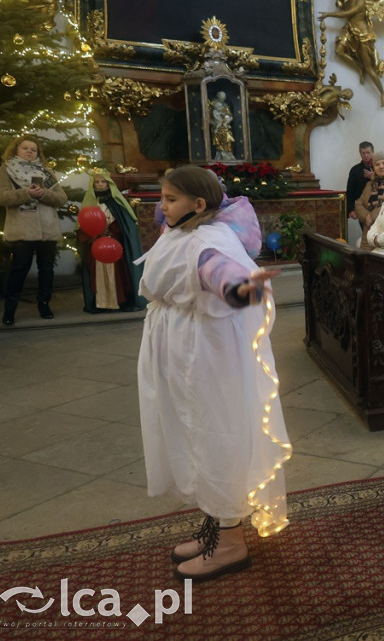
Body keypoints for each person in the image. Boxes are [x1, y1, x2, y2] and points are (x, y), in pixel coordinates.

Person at [137, 165, 290, 582]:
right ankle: (217, 524)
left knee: (213, 438)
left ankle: (231, 542)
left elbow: (224, 277)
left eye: (170, 199)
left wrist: (244, 289)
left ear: (198, 205)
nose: (160, 207)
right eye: (163, 197)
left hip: (204, 358)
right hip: (184, 351)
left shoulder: (207, 242)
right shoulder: (184, 232)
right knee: (193, 436)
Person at [0, 136, 68, 326]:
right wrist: (26, 193)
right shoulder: (6, 170)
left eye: (33, 150)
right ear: (16, 150)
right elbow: (0, 198)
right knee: (19, 269)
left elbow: (61, 198)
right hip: (21, 230)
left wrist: (44, 193)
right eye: (25, 148)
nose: (29, 152)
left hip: (47, 229)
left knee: (46, 269)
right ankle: (10, 310)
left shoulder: (46, 171)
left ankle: (44, 305)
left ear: (38, 153)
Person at [77, 168, 146, 313]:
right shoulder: (89, 204)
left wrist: (114, 232)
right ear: (93, 185)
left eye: (104, 182)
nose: (101, 184)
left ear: (109, 184)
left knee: (119, 274)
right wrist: (93, 236)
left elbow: (126, 226)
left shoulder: (118, 203)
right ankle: (100, 303)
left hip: (115, 246)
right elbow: (83, 226)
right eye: (97, 182)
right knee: (97, 274)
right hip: (96, 246)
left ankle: (120, 301)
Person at [354, 150, 384, 228]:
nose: (381, 166)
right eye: (377, 164)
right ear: (374, 168)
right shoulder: (369, 185)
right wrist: (367, 217)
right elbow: (358, 205)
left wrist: (372, 216)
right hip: (369, 229)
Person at [346, 141, 374, 219]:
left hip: (378, 205)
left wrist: (374, 176)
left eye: (368, 152)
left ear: (373, 152)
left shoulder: (380, 167)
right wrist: (351, 209)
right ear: (360, 154)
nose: (366, 155)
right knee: (365, 230)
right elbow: (350, 191)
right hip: (362, 206)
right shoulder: (355, 170)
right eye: (363, 153)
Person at [208, 91, 235, 160]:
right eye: (221, 98)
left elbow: (230, 116)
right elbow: (209, 118)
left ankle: (228, 154)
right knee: (219, 142)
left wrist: (226, 121)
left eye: (223, 98)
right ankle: (221, 155)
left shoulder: (225, 106)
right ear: (218, 96)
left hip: (225, 127)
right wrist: (217, 124)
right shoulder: (212, 105)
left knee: (228, 139)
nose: (222, 100)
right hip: (217, 127)